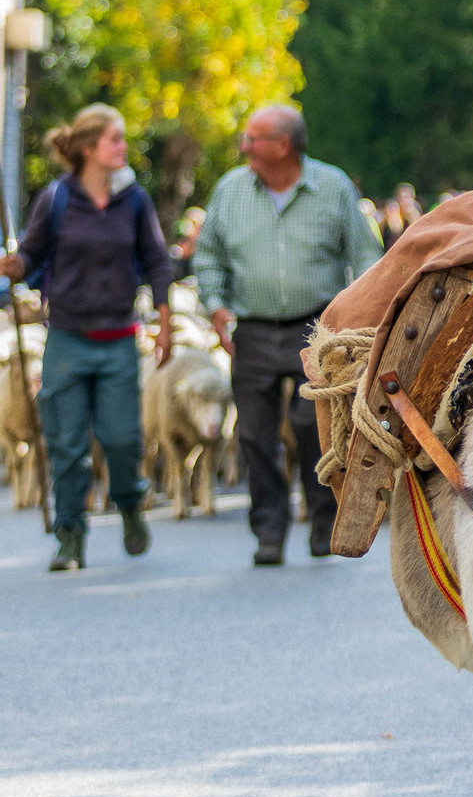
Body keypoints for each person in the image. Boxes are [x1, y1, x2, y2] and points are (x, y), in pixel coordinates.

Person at [193, 105, 381, 566]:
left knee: (311, 426)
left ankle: (322, 520)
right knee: (255, 434)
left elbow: (366, 256)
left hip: (316, 327)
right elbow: (208, 255)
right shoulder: (230, 190)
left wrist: (356, 324)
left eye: (253, 138)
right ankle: (269, 531)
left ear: (283, 146)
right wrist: (216, 306)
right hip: (251, 329)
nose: (244, 146)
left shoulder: (333, 187)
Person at [0, 103, 173, 573]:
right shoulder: (55, 199)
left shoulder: (134, 199)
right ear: (88, 148)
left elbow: (156, 259)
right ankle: (70, 536)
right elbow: (31, 255)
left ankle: (130, 504)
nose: (123, 148)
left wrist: (165, 315)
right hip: (67, 338)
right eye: (115, 140)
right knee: (67, 443)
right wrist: (12, 264)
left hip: (119, 337)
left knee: (121, 439)